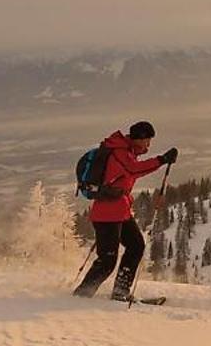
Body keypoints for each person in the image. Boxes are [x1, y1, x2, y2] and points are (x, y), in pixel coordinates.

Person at [73, 121, 178, 300]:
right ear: (138, 138)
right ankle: (82, 294)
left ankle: (120, 291)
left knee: (136, 246)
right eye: (147, 140)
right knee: (107, 261)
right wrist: (161, 160)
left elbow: (133, 172)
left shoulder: (127, 152)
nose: (149, 144)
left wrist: (160, 161)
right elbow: (134, 169)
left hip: (119, 211)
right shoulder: (120, 152)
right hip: (107, 214)